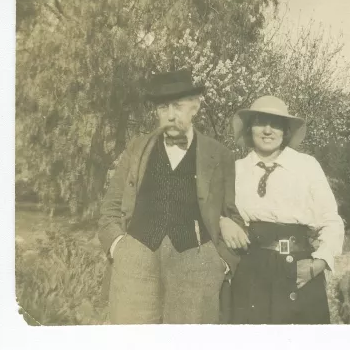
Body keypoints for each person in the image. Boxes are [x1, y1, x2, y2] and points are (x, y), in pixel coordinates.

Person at [98, 69, 244, 324]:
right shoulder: (137, 148)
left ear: (195, 107)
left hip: (195, 263)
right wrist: (118, 246)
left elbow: (234, 214)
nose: (171, 115)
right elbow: (110, 207)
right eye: (163, 108)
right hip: (136, 258)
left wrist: (220, 263)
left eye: (178, 106)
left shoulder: (220, 155)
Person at [219, 95, 344, 324]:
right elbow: (214, 209)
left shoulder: (306, 166)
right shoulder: (235, 170)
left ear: (285, 131)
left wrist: (318, 264)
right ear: (250, 128)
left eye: (275, 124)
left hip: (299, 269)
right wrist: (222, 221)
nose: (268, 130)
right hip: (251, 270)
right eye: (260, 122)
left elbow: (331, 220)